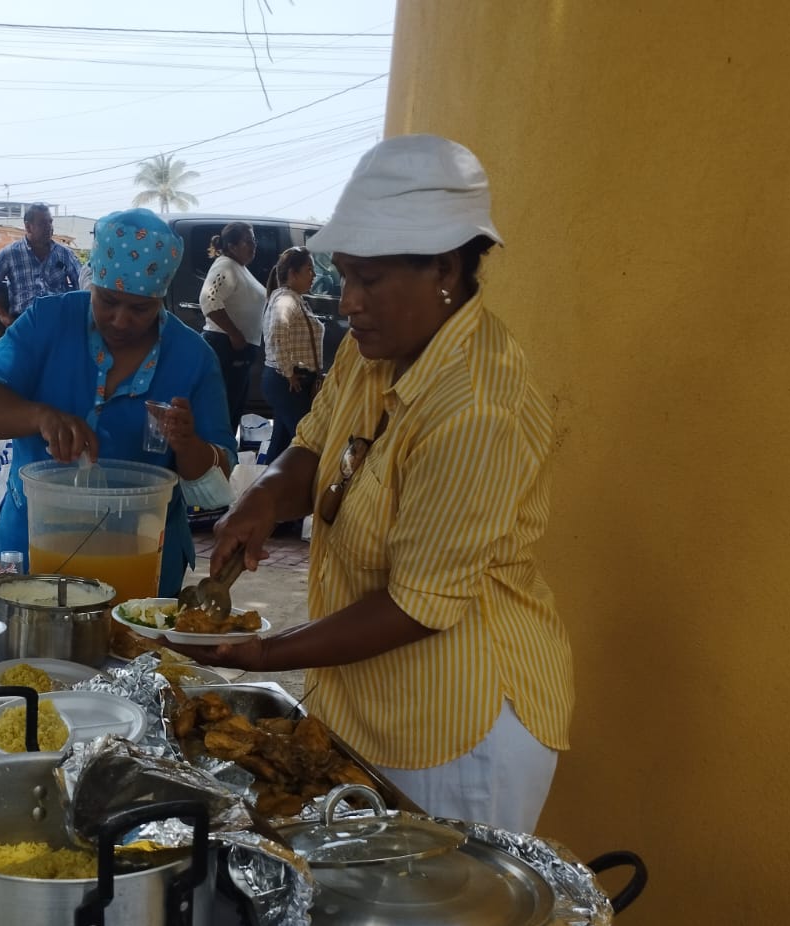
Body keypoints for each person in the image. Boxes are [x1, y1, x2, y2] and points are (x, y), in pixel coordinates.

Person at [191, 136, 575, 835]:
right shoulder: (373, 352)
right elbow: (312, 447)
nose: (351, 303)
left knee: (433, 901)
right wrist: (264, 498)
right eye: (345, 277)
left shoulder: (476, 405)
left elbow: (416, 606)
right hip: (366, 703)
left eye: (369, 280)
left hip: (459, 729)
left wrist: (265, 653)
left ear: (446, 268)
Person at [0, 207, 235, 598]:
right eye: (107, 301)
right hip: (36, 548)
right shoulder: (48, 321)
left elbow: (216, 484)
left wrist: (188, 444)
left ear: (161, 298)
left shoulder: (193, 358)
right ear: (92, 283)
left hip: (142, 560)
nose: (120, 320)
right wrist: (40, 416)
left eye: (140, 308)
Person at [259, 245, 325, 537]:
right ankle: (283, 513)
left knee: (282, 446)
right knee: (305, 444)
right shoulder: (286, 299)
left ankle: (273, 514)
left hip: (291, 381)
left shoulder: (294, 298)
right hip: (288, 382)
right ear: (293, 273)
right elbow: (277, 331)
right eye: (309, 270)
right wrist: (288, 371)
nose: (313, 276)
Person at [198, 220, 267, 433]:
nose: (254, 246)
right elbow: (209, 300)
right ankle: (215, 451)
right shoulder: (226, 266)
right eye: (248, 241)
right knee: (222, 411)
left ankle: (224, 450)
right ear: (232, 246)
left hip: (238, 350)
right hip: (225, 347)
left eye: (254, 241)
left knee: (233, 409)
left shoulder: (239, 268)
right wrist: (235, 334)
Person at [0, 202, 81, 326]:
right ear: (28, 227)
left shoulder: (65, 254)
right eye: (42, 223)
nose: (49, 227)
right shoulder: (11, 253)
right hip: (24, 322)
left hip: (59, 321)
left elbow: (83, 285)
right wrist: (3, 316)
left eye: (50, 222)